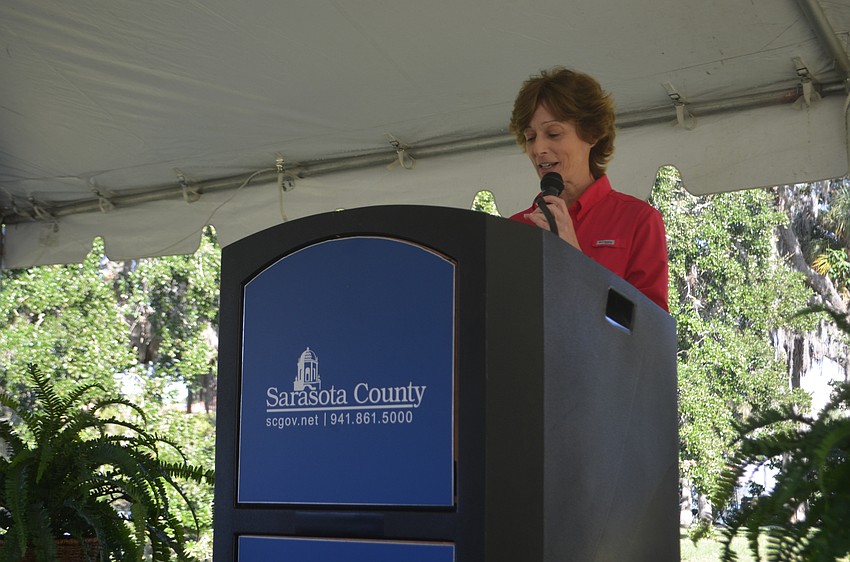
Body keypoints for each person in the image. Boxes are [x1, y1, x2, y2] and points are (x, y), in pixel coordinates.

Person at [508, 67, 669, 312]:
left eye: (553, 133)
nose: (538, 148)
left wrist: (576, 260)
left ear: (592, 133)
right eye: (530, 137)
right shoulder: (514, 228)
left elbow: (647, 333)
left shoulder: (638, 220)